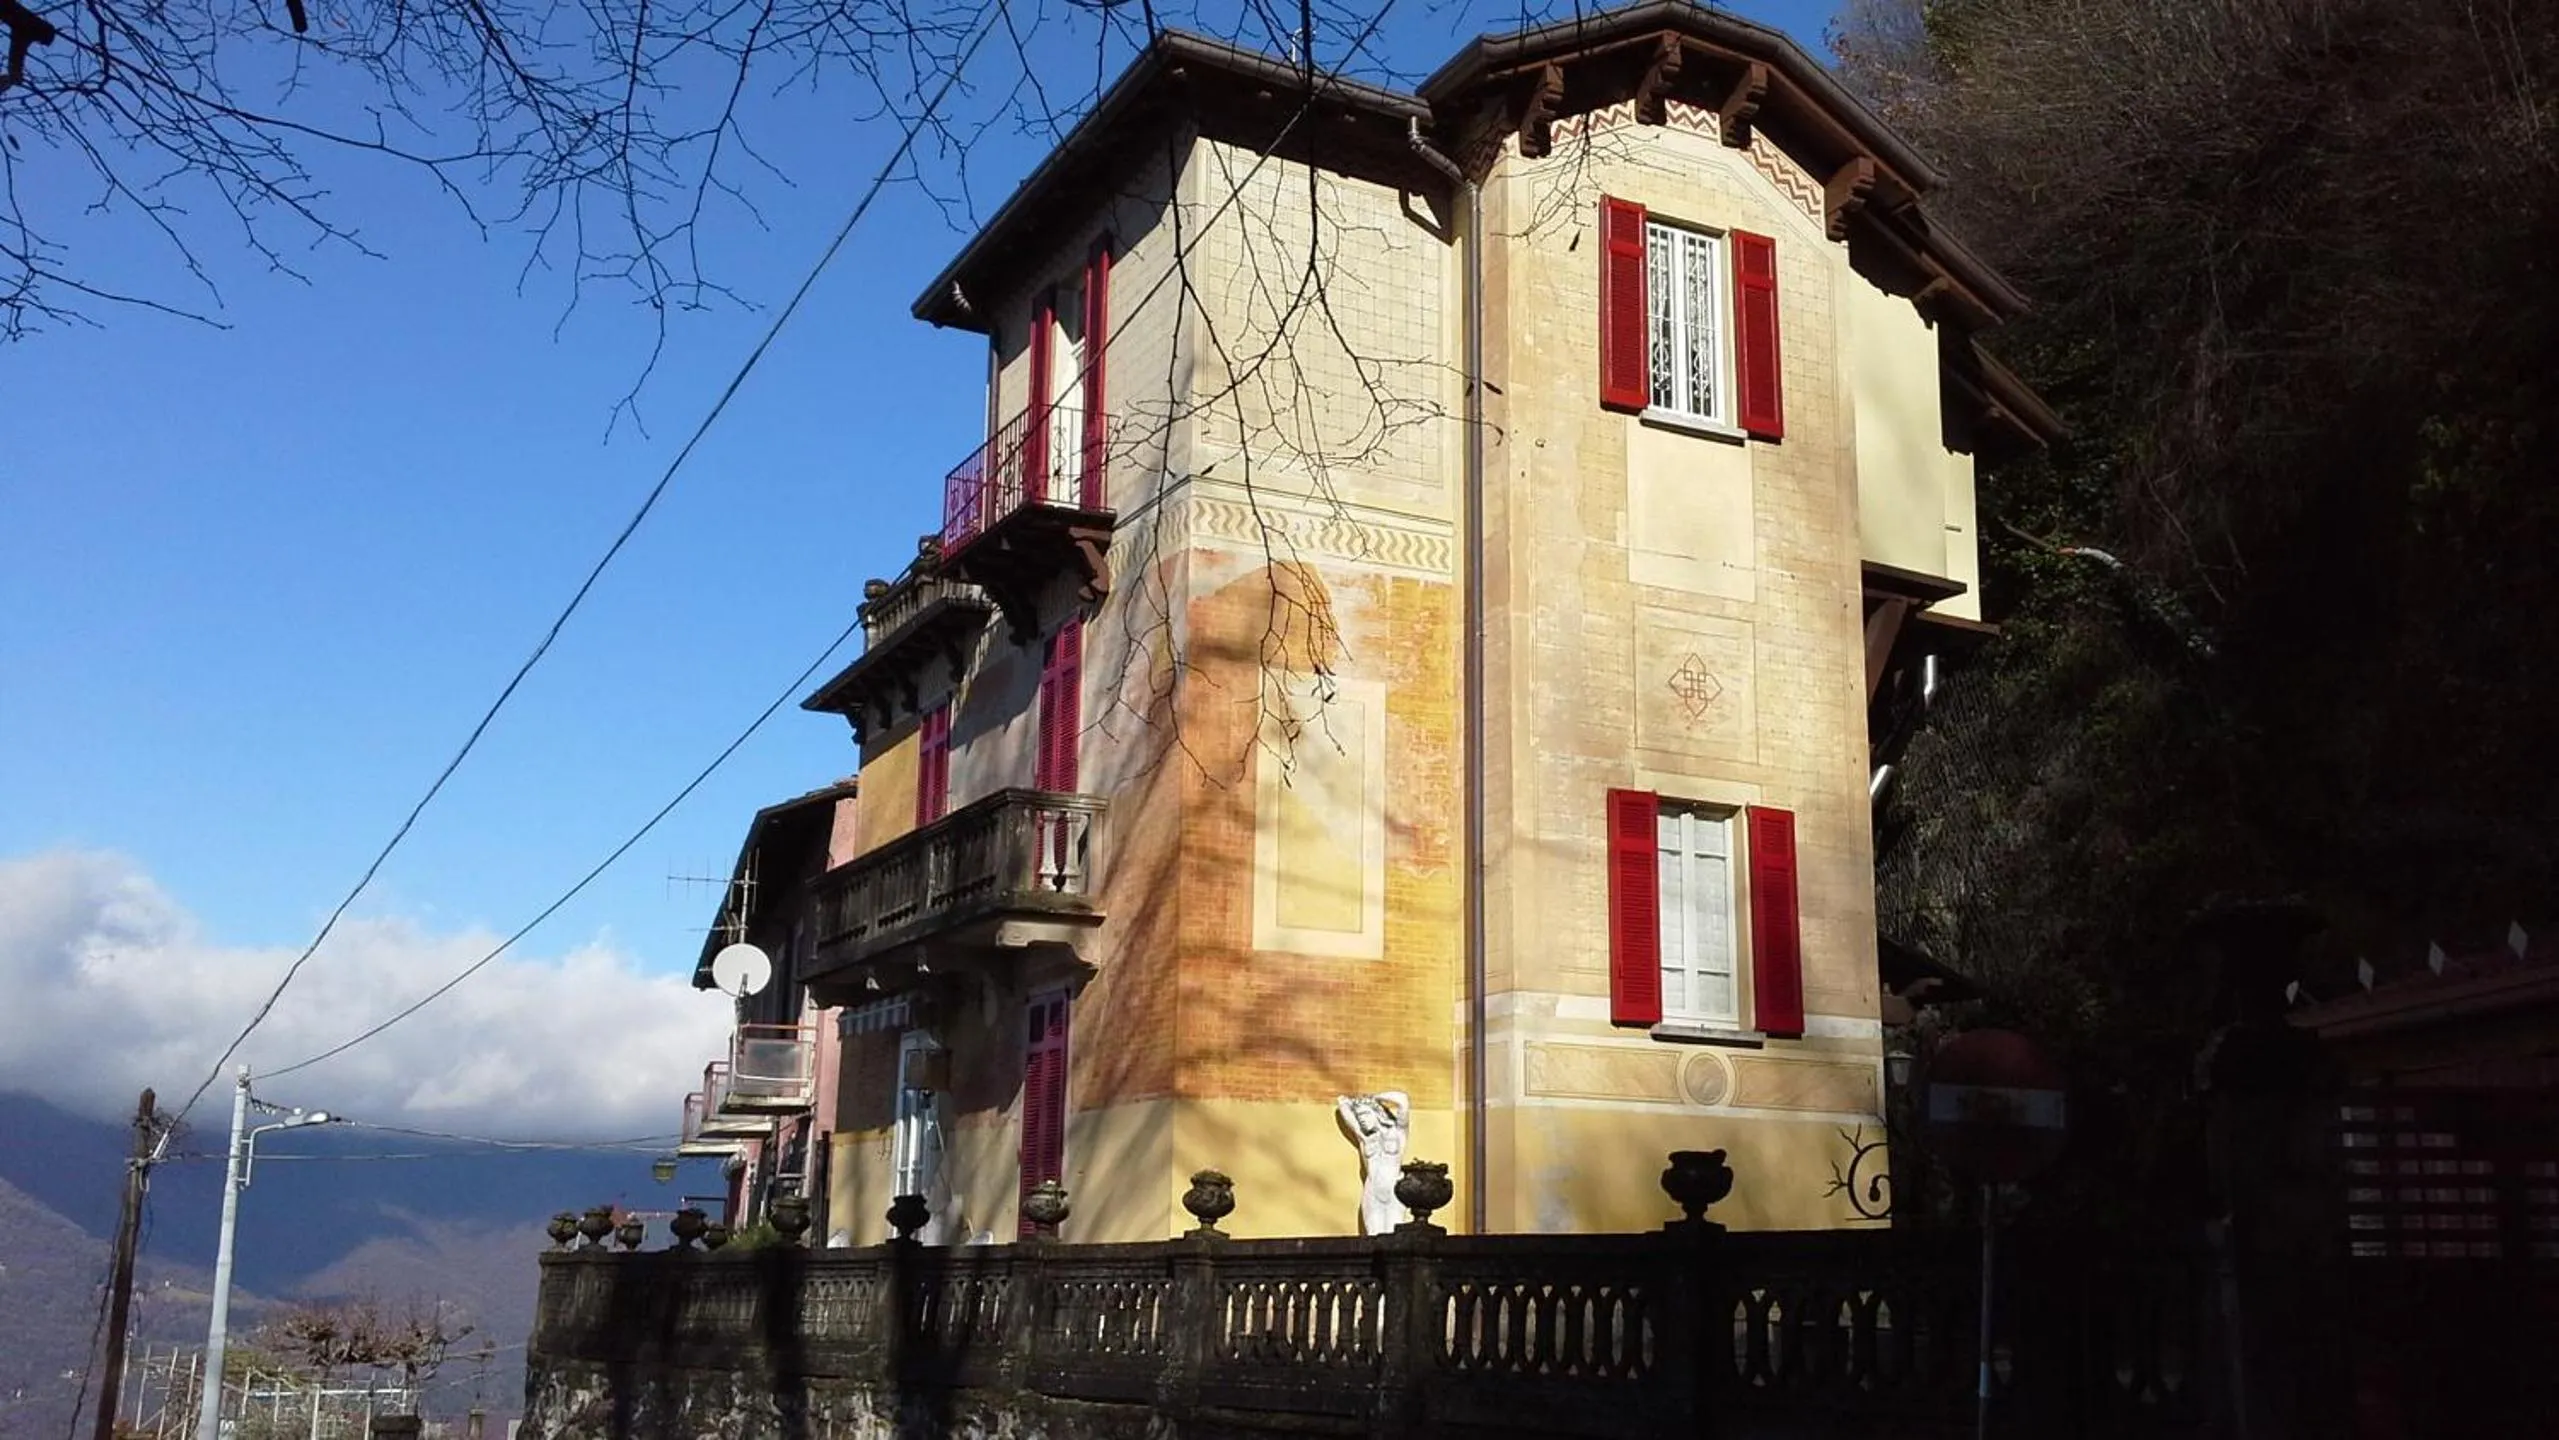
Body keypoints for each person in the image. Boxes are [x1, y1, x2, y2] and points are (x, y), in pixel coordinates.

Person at [1335, 1090, 1411, 1235]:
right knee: (1373, 1238)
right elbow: (1343, 1106)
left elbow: (1403, 1100)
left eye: (1365, 1115)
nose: (1362, 1120)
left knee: (1394, 1238)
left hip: (1394, 1190)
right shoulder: (1365, 1138)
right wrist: (1350, 1103)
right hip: (1373, 1191)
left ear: (1377, 1115)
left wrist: (1374, 1098)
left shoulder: (1398, 1134)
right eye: (1359, 1117)